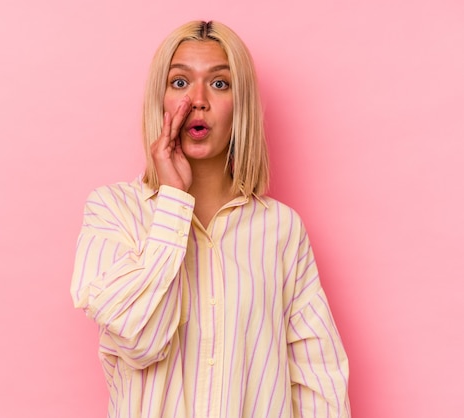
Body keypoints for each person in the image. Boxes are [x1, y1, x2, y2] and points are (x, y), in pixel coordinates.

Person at [71, 20, 350, 418]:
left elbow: (317, 380)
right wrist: (172, 203)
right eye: (180, 82)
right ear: (160, 98)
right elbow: (140, 340)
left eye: (220, 84)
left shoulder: (281, 230)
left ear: (242, 106)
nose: (197, 100)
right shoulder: (113, 211)